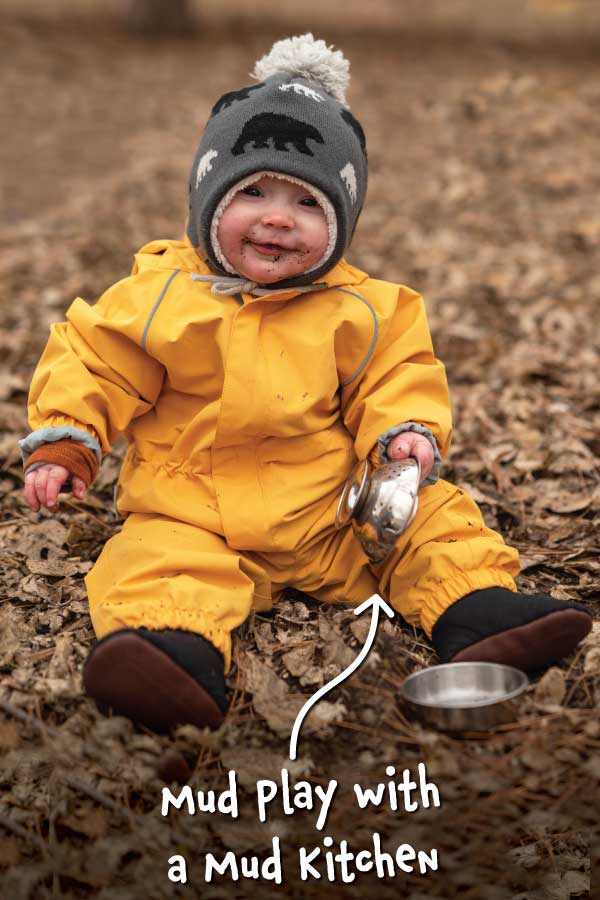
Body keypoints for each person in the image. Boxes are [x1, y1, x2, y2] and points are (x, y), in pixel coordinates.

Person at [20, 35, 591, 733]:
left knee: (433, 521)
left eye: (307, 203)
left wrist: (403, 431)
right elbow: (96, 361)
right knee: (155, 561)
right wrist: (69, 440)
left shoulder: (364, 307)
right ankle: (170, 652)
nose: (277, 217)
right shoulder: (160, 295)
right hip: (194, 508)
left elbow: (399, 373)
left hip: (332, 510)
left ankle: (476, 609)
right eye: (252, 192)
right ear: (207, 197)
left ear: (341, 222)